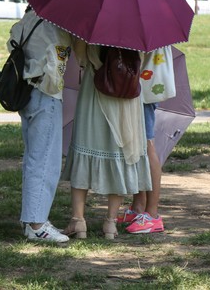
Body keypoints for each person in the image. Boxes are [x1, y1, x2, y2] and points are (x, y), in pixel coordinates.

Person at [60, 41, 152, 240]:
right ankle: (110, 222)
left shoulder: (94, 30)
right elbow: (143, 61)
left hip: (95, 91)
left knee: (85, 146)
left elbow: (81, 57)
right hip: (127, 94)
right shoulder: (139, 33)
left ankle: (78, 220)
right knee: (121, 153)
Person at [7, 7, 73, 244]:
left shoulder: (30, 16)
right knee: (45, 160)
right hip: (46, 93)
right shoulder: (59, 24)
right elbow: (61, 61)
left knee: (33, 158)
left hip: (26, 91)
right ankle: (37, 224)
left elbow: (12, 41)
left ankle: (30, 219)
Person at [121, 46, 176, 234]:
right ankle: (138, 206)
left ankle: (152, 215)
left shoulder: (152, 31)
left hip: (144, 87)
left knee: (146, 144)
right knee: (138, 146)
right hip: (142, 83)